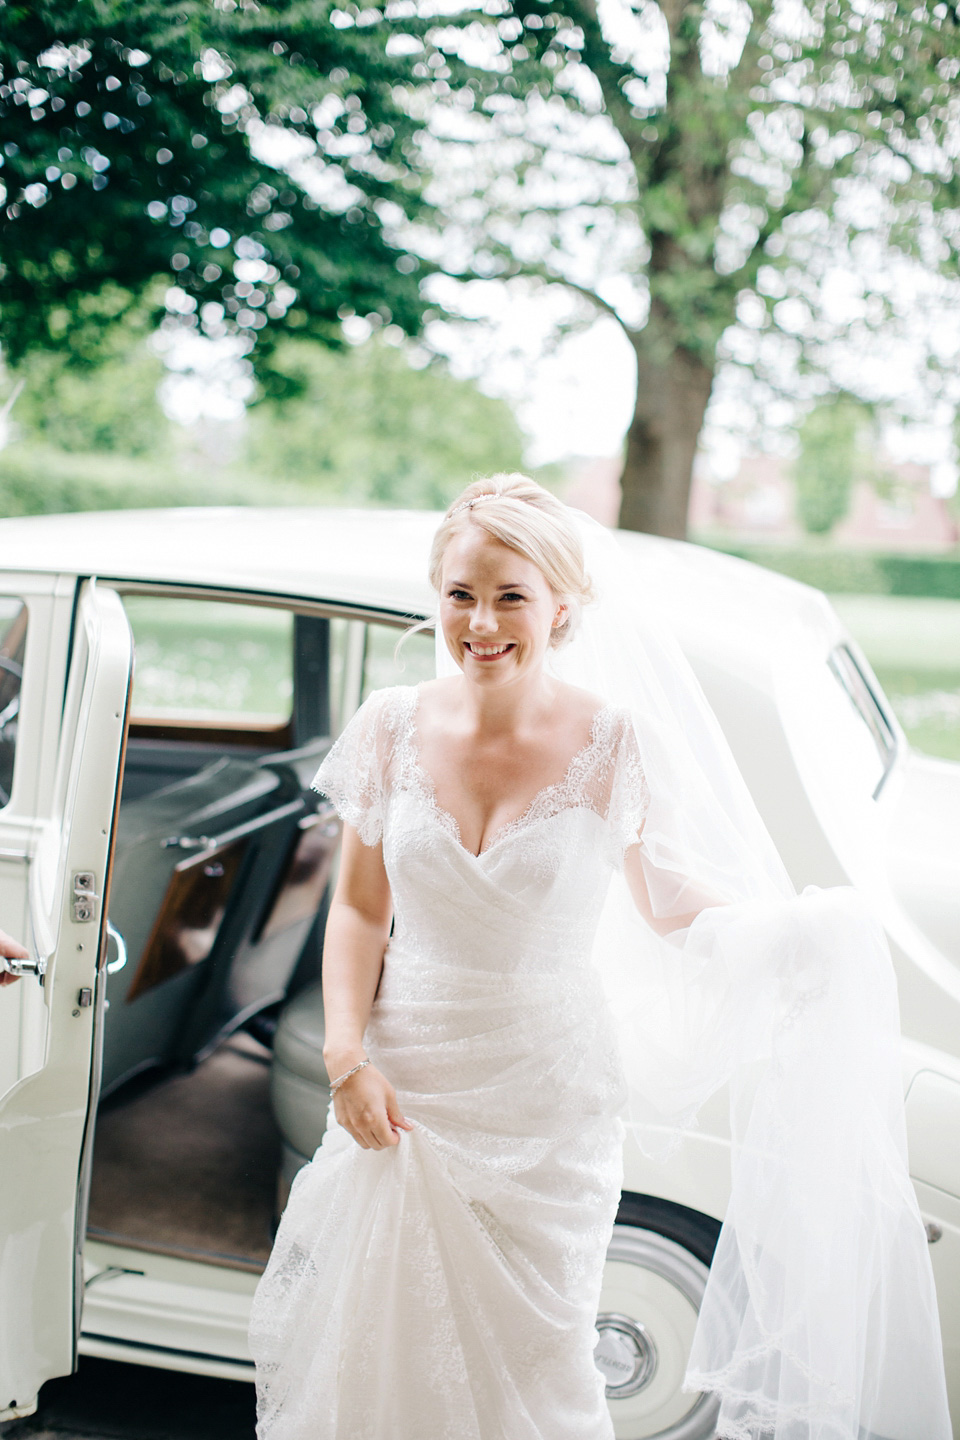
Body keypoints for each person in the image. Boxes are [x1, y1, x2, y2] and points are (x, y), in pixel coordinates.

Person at [249, 475, 950, 1439]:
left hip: (547, 1098)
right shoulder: (388, 726)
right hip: (403, 1082)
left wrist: (789, 935)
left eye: (510, 598)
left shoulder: (616, 742)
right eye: (461, 595)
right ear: (436, 597)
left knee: (533, 1362)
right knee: (373, 1341)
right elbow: (360, 912)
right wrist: (345, 1058)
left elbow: (666, 901)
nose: (481, 623)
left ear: (562, 609)